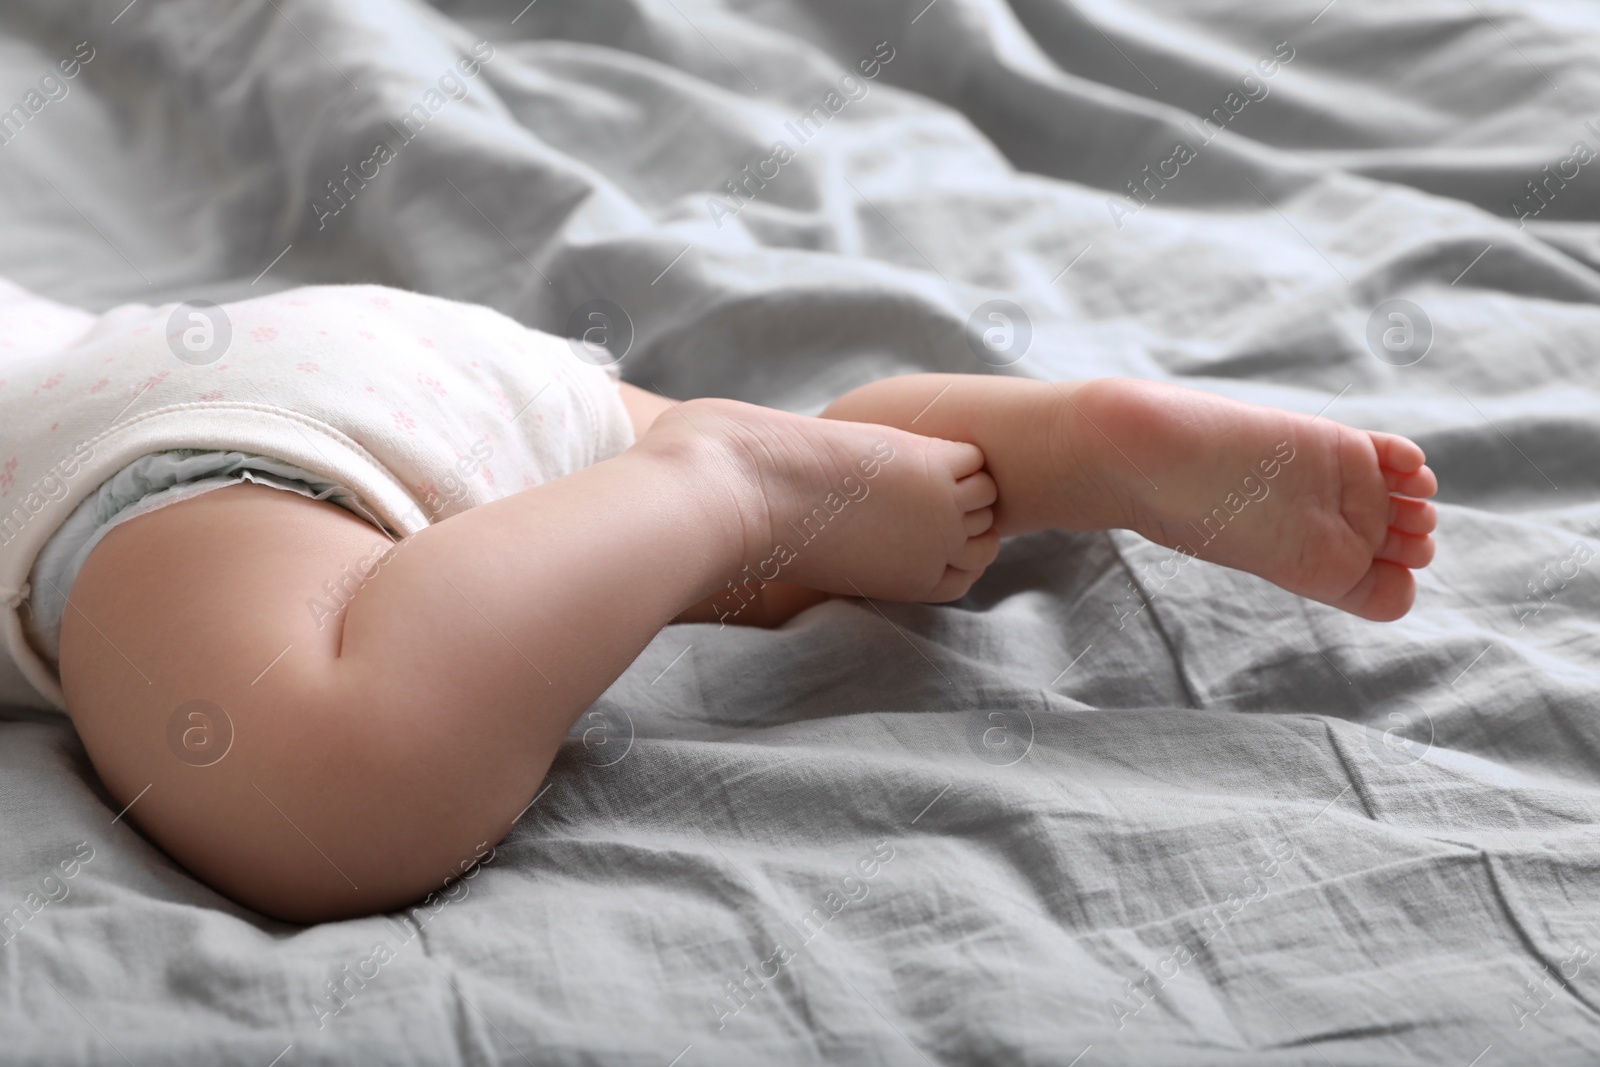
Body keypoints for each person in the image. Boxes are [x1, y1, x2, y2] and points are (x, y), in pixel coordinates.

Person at [2, 282, 1437, 923]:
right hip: (370, 353)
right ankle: (1044, 450)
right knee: (830, 542)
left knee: (329, 777)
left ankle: (724, 478)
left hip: (154, 465)